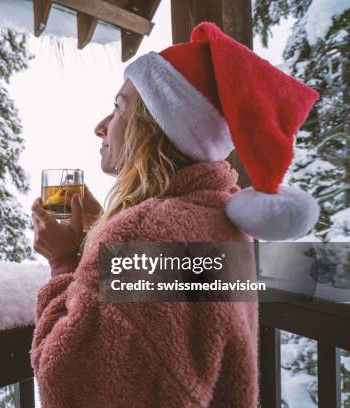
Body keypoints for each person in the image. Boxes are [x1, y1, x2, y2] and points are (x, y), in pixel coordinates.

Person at [29, 22, 320, 407]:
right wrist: (101, 232)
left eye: (118, 109)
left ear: (155, 129)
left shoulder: (143, 234)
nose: (100, 127)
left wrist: (64, 263)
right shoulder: (215, 213)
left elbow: (69, 382)